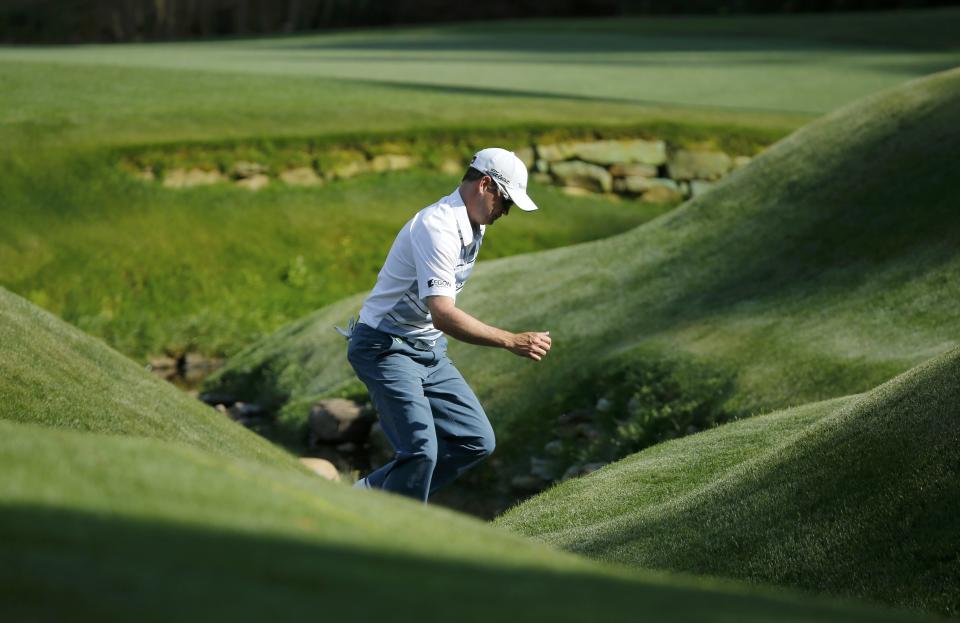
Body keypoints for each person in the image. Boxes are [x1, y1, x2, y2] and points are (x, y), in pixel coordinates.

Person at [345, 147, 552, 502]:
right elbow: (443, 313)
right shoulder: (437, 226)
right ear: (485, 185)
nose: (506, 211)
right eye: (506, 202)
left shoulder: (475, 221)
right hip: (384, 346)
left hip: (428, 348)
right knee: (421, 451)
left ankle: (366, 494)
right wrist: (510, 341)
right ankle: (392, 532)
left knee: (476, 440)